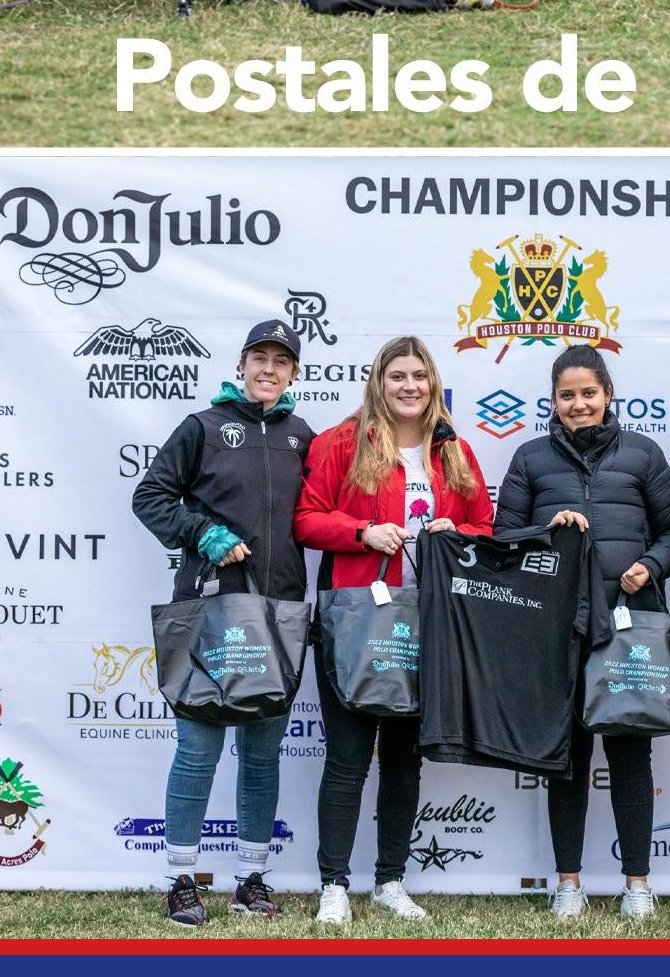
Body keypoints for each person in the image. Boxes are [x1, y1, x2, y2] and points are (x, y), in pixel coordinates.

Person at [294, 335, 493, 929]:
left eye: (419, 376)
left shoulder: (453, 450)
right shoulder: (343, 441)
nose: (410, 386)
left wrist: (455, 532)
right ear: (379, 383)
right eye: (397, 376)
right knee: (347, 758)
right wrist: (363, 533)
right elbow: (306, 519)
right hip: (356, 620)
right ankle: (334, 884)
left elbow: (485, 526)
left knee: (405, 761)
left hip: (428, 624)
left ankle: (390, 881)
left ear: (433, 384)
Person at [132, 318, 313, 928]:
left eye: (281, 361)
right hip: (210, 608)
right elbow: (150, 497)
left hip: (280, 614)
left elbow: (330, 503)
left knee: (262, 755)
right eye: (259, 358)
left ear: (293, 373)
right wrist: (203, 532)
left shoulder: (302, 436)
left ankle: (251, 880)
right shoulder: (203, 427)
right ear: (242, 364)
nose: (269, 369)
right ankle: (181, 880)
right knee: (198, 750)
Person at [494, 344, 670, 920]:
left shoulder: (644, 454)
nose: (579, 404)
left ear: (607, 394)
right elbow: (503, 538)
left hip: (629, 625)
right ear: (553, 400)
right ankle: (568, 882)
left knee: (630, 754)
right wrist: (545, 532)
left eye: (588, 393)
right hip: (558, 627)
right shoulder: (530, 457)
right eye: (567, 395)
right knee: (567, 757)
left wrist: (650, 565)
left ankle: (638, 884)